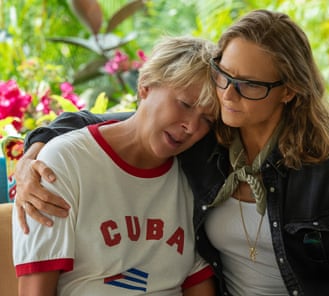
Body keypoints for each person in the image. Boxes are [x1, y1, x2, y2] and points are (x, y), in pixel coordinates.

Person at [14, 9, 329, 296]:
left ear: (288, 90)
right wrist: (33, 154)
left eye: (248, 86)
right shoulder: (210, 140)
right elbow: (121, 123)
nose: (227, 94)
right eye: (224, 75)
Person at [12, 36, 219, 296]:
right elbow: (35, 290)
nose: (191, 126)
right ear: (145, 85)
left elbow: (195, 277)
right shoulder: (62, 163)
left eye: (208, 119)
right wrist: (33, 152)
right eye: (185, 104)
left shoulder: (192, 172)